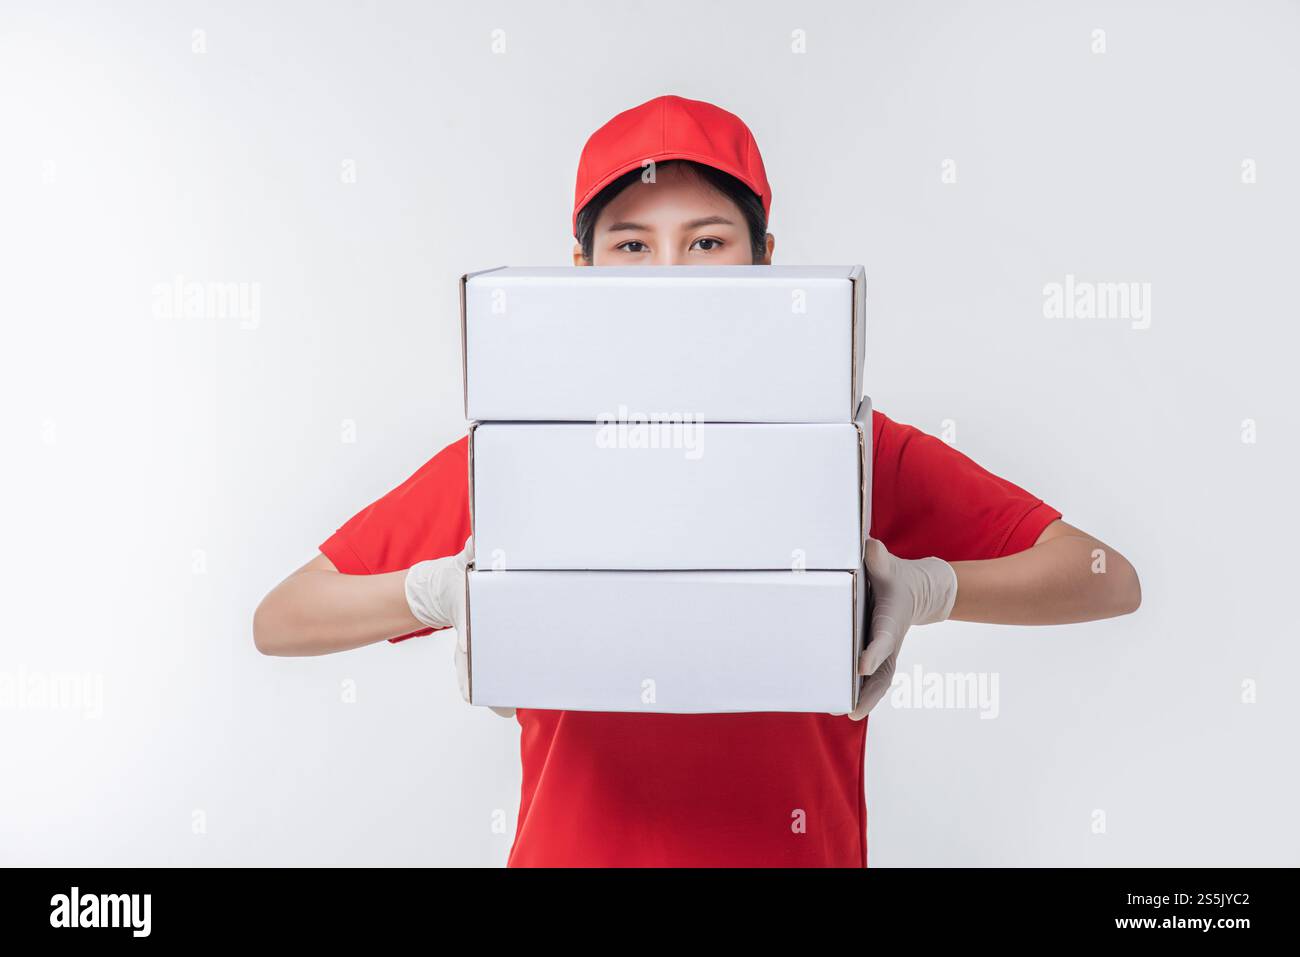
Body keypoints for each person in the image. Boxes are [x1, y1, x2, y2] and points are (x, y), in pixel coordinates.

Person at [253, 94, 1141, 867]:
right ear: (583, 271)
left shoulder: (852, 446)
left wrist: (930, 588)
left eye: (706, 240)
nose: (669, 274)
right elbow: (284, 617)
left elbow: (1103, 576)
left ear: (764, 259)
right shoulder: (522, 451)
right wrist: (436, 591)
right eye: (632, 244)